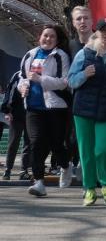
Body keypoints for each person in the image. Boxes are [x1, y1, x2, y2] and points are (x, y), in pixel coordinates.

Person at [68, 18, 106, 207]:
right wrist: (84, 75)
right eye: (103, 30)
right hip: (83, 109)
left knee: (101, 150)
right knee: (86, 151)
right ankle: (89, 189)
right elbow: (71, 81)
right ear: (97, 32)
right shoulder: (85, 53)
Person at [16, 24, 72, 197]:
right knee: (36, 143)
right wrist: (22, 88)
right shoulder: (30, 54)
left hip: (56, 107)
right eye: (45, 36)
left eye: (52, 37)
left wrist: (41, 79)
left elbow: (65, 82)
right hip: (33, 107)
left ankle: (65, 165)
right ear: (39, 37)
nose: (48, 39)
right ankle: (39, 182)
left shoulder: (60, 56)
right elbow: (22, 77)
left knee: (56, 144)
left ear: (57, 40)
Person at [2, 67, 32, 181]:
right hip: (16, 114)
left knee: (28, 143)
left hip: (31, 114)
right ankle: (8, 170)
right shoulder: (18, 75)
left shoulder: (39, 76)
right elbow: (9, 92)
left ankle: (24, 170)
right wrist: (7, 110)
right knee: (13, 142)